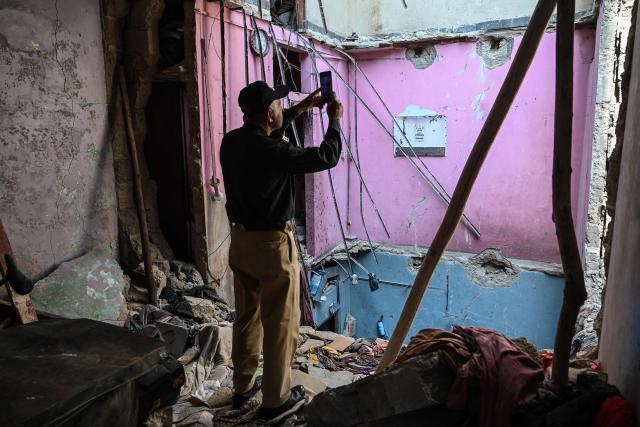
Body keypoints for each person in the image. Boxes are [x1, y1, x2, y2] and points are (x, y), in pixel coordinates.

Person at [220, 81, 343, 421]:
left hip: (241, 243)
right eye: (277, 105)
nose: (280, 110)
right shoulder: (274, 152)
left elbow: (269, 129)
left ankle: (244, 387)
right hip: (272, 248)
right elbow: (326, 156)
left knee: (247, 318)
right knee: (281, 326)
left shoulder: (231, 142)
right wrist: (334, 119)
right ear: (270, 112)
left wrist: (301, 108)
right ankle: (276, 401)